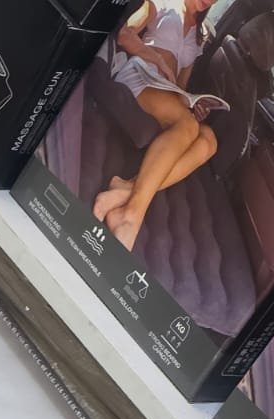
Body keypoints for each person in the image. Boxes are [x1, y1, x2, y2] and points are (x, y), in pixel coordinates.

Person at [92, 0, 219, 251]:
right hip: (140, 75)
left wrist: (193, 104)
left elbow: (181, 85)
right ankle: (130, 217)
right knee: (187, 125)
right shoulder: (163, 2)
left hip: (166, 92)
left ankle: (126, 189)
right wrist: (158, 60)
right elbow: (124, 34)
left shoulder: (199, 36)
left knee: (209, 140)